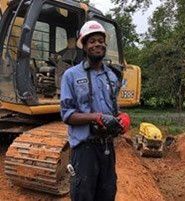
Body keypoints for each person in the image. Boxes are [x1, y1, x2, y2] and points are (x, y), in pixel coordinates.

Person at [60, 20, 131, 201]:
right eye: (92, 41)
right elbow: (67, 114)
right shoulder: (71, 75)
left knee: (107, 193)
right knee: (83, 195)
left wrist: (121, 118)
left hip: (107, 146)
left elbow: (114, 108)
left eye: (101, 40)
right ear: (84, 46)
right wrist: (95, 117)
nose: (97, 44)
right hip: (84, 149)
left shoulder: (112, 76)